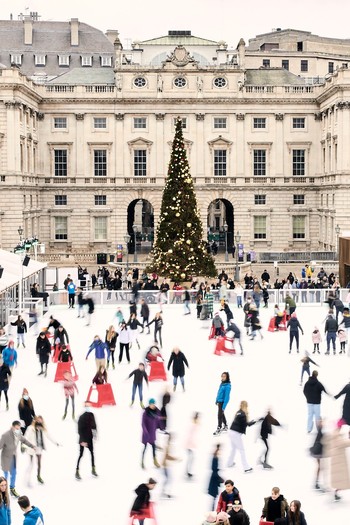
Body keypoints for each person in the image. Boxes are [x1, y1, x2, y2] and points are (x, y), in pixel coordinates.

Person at [0, 421, 35, 498]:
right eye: (16, 428)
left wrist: (32, 446)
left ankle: (12, 489)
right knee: (6, 475)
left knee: (14, 473)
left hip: (13, 457)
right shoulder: (5, 435)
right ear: (12, 427)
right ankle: (3, 491)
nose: (18, 429)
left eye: (19, 428)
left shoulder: (18, 434)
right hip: (5, 458)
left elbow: (24, 440)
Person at [23, 415, 59, 485]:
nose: (39, 421)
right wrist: (24, 446)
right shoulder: (30, 428)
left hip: (39, 448)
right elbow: (26, 437)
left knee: (39, 463)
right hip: (32, 448)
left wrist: (55, 442)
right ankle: (28, 479)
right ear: (35, 420)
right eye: (38, 420)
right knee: (31, 464)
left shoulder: (43, 429)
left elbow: (49, 436)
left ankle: (38, 476)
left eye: (40, 420)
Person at [227, 401, 257, 473]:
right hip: (235, 434)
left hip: (231, 432)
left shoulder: (238, 412)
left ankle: (229, 463)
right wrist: (255, 421)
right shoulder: (242, 414)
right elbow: (246, 424)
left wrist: (251, 422)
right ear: (245, 406)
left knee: (233, 449)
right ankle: (246, 468)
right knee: (242, 450)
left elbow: (243, 423)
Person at [327, 424, 350, 502]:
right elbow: (344, 443)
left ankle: (335, 492)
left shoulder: (335, 435)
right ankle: (335, 493)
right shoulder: (337, 435)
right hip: (339, 461)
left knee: (339, 479)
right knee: (340, 479)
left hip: (337, 460)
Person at [75, 402, 98, 480]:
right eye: (87, 406)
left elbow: (94, 426)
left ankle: (93, 469)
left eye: (89, 406)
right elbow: (79, 430)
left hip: (89, 438)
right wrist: (82, 441)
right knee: (81, 455)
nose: (88, 407)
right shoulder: (81, 417)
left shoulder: (92, 415)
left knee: (92, 453)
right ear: (84, 407)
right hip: (83, 439)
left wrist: (95, 435)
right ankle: (77, 471)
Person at [141, 398, 161, 469]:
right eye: (151, 404)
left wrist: (161, 427)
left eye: (153, 404)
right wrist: (146, 432)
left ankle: (155, 461)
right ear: (149, 404)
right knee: (145, 448)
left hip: (152, 434)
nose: (152, 406)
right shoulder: (145, 413)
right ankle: (142, 462)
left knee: (153, 447)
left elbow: (158, 421)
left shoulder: (156, 412)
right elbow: (143, 424)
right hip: (146, 434)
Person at [309, 419, 325, 490]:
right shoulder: (320, 431)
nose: (322, 423)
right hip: (318, 452)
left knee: (320, 467)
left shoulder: (320, 431)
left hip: (318, 452)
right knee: (320, 467)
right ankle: (316, 483)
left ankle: (317, 482)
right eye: (321, 422)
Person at [208, 444, 224, 511]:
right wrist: (220, 479)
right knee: (214, 496)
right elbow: (214, 469)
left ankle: (213, 509)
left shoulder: (215, 457)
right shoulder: (215, 458)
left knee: (214, 497)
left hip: (214, 478)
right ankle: (212, 510)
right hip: (214, 479)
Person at [185, 411, 200, 479]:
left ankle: (188, 471)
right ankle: (187, 472)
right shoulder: (193, 425)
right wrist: (192, 444)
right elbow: (190, 436)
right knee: (191, 458)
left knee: (191, 458)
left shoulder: (194, 424)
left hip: (190, 445)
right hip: (189, 445)